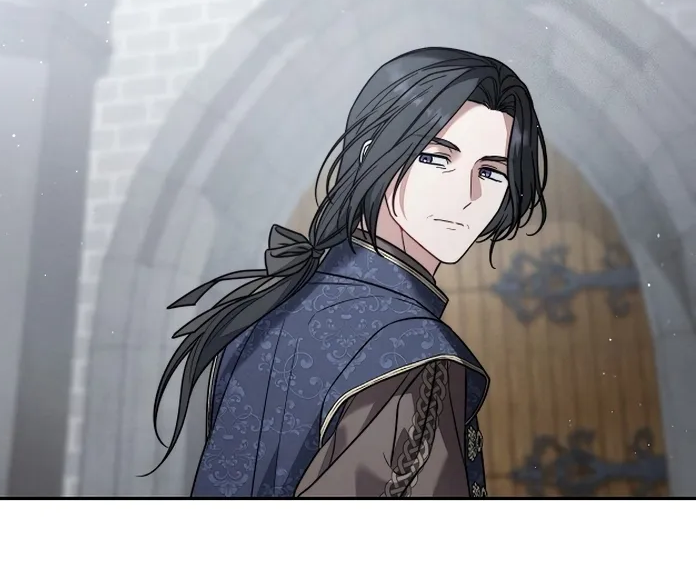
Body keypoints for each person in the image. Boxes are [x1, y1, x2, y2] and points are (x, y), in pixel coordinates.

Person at [152, 44, 548, 497]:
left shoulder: (275, 305)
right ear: (372, 153)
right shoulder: (414, 352)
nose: (467, 195)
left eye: (491, 172)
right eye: (436, 159)